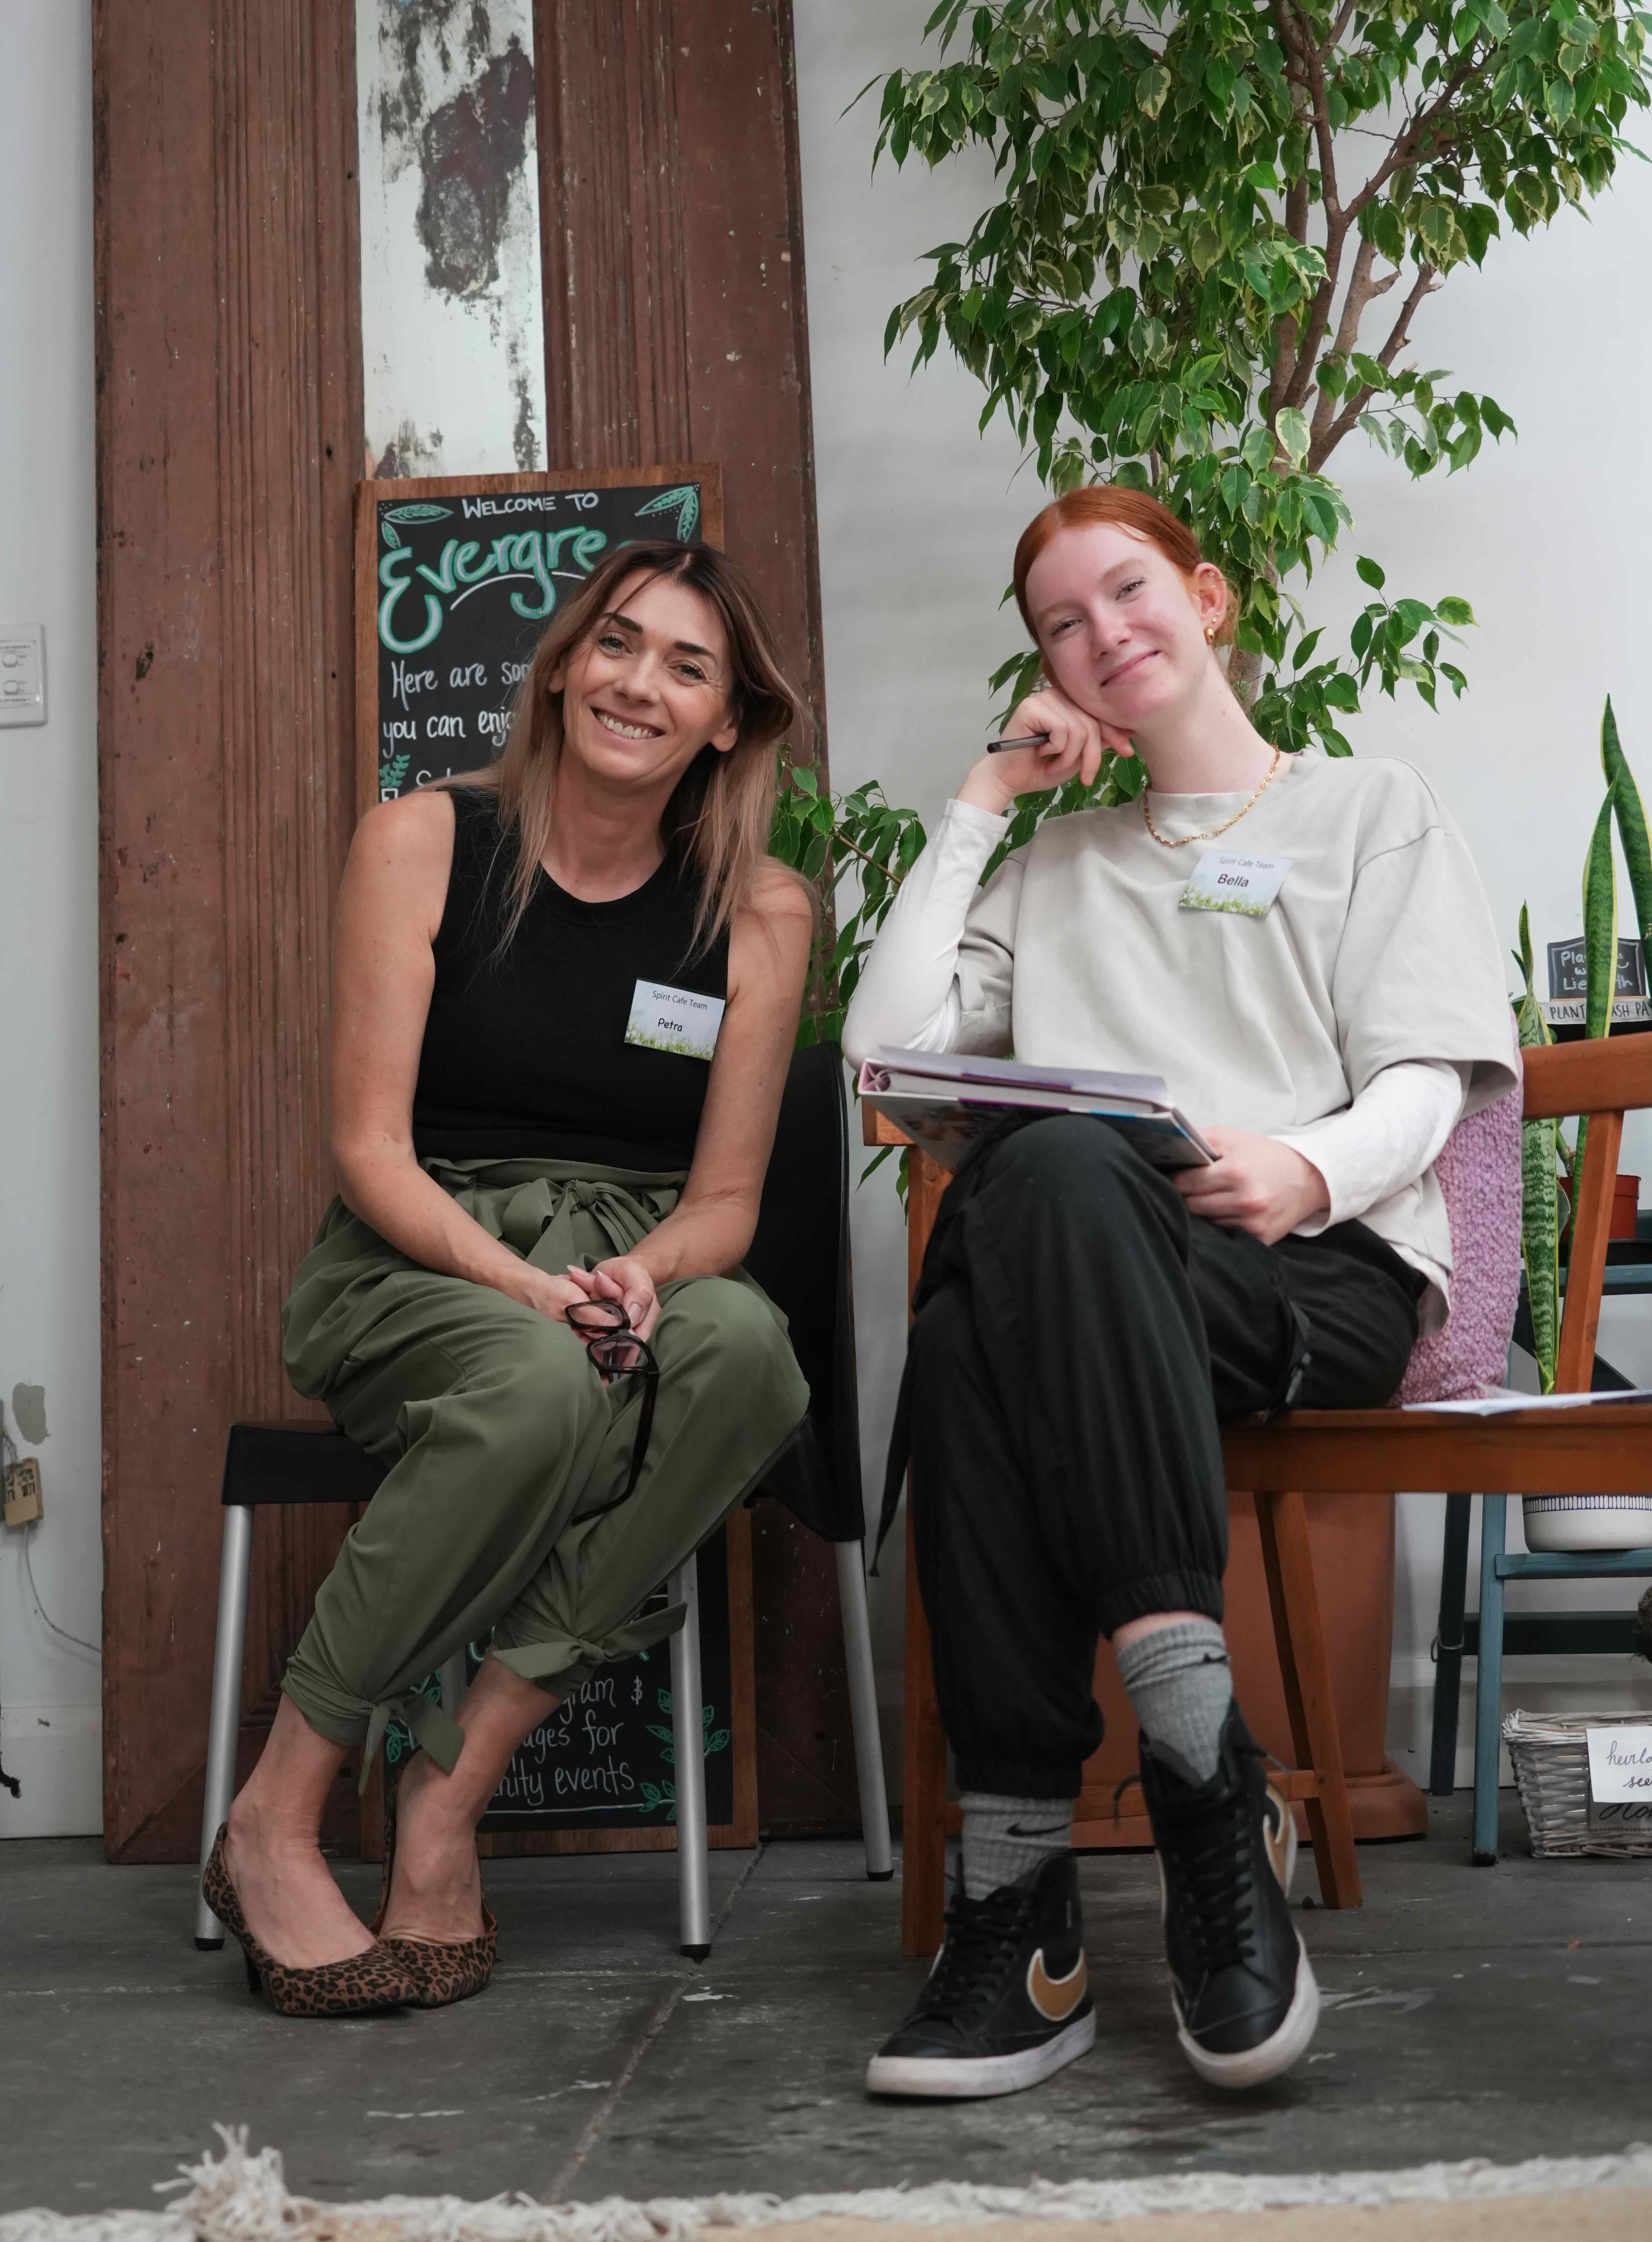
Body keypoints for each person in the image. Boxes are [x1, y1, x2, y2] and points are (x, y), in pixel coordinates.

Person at [844, 486, 1516, 2099]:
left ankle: (1023, 1896)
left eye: (1127, 590)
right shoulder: (1052, 860)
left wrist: (1306, 1167)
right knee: (1042, 1200)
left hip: (1313, 1265)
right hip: (1105, 1265)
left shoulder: (1366, 808)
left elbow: (1426, 1077)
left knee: (978, 1305)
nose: (1100, 635)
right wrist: (980, 799)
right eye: (1059, 624)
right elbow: (883, 1056)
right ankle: (1198, 1773)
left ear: (1207, 600)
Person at [203, 541, 814, 2018]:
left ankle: (451, 1784)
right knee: (537, 1375)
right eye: (617, 644)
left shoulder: (762, 911)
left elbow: (724, 1205)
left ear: (728, 722)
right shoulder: (423, 840)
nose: (638, 684)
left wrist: (635, 1274)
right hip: (419, 1256)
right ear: (560, 666)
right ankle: (276, 1811)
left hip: (621, 1252)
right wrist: (524, 1288)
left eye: (686, 666)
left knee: (748, 1358)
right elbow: (370, 1151)